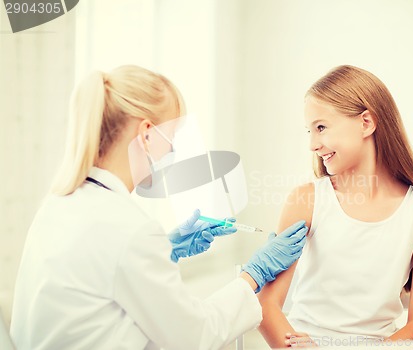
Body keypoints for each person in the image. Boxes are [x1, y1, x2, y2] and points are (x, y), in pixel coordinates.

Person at [9, 65, 308, 350]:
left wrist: (165, 250)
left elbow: (103, 278)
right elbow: (196, 335)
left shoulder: (59, 204)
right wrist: (254, 274)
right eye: (173, 138)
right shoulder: (130, 230)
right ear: (147, 133)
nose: (173, 152)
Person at [257, 65, 413, 348]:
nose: (312, 144)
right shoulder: (306, 201)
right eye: (309, 131)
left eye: (321, 127)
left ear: (366, 123)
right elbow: (266, 306)